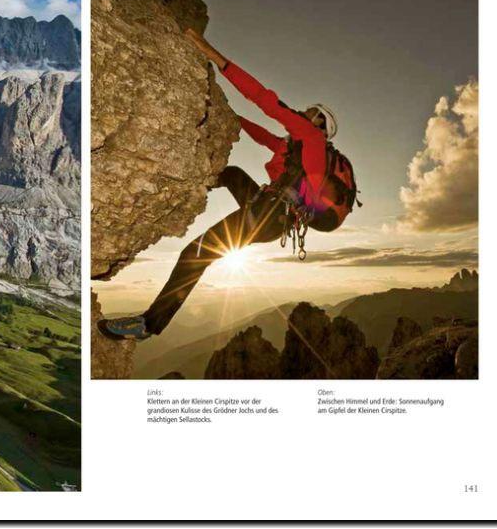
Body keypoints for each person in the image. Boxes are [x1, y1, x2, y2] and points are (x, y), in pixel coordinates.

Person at [103, 28, 357, 340]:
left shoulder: (312, 139)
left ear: (320, 125)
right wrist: (228, 115)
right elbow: (263, 136)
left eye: (312, 113)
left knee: (194, 256)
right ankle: (190, 186)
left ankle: (149, 324)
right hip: (270, 211)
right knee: (234, 173)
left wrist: (216, 57)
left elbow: (267, 101)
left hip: (265, 215)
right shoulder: (301, 151)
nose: (305, 112)